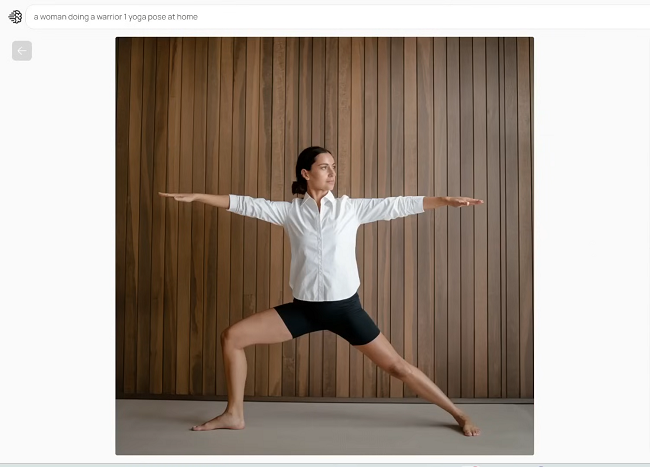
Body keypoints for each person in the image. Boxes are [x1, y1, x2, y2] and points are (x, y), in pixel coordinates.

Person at [159, 146, 484, 436]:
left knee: (397, 367)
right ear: (306, 173)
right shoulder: (289, 212)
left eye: (333, 167)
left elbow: (396, 205)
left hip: (345, 310)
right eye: (324, 167)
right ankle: (234, 414)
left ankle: (458, 413)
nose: (332, 173)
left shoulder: (349, 209)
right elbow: (244, 204)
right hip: (304, 310)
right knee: (232, 337)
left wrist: (443, 201)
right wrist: (200, 197)